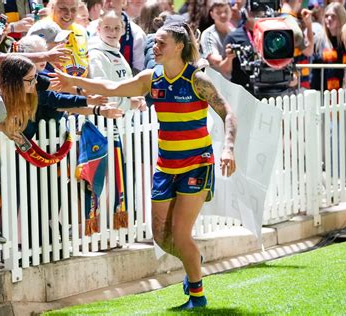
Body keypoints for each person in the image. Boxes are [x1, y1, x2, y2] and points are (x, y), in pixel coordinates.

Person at [50, 21, 237, 309]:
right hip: (166, 166)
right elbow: (111, 86)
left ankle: (197, 295)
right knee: (161, 237)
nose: (155, 47)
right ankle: (194, 260)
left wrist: (228, 148)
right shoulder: (152, 78)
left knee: (180, 233)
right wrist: (74, 82)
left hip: (196, 164)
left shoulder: (198, 80)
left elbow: (228, 112)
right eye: (154, 42)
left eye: (161, 42)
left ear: (179, 46)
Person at [89, 10, 145, 111]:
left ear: (122, 30)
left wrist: (139, 99)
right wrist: (128, 104)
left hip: (123, 120)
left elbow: (130, 85)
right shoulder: (95, 55)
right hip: (105, 121)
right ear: (98, 29)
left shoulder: (117, 54)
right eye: (107, 27)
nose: (112, 32)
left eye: (116, 28)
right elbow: (101, 92)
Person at [310, 2, 346, 91]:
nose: (329, 19)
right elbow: (314, 72)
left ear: (341, 18)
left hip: (345, 92)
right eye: (326, 16)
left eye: (333, 16)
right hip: (323, 94)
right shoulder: (318, 40)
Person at [200, 0, 235, 79]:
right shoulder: (208, 34)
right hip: (215, 82)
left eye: (226, 11)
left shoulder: (235, 32)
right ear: (212, 15)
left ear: (231, 11)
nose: (223, 15)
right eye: (218, 12)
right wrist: (230, 57)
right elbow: (215, 60)